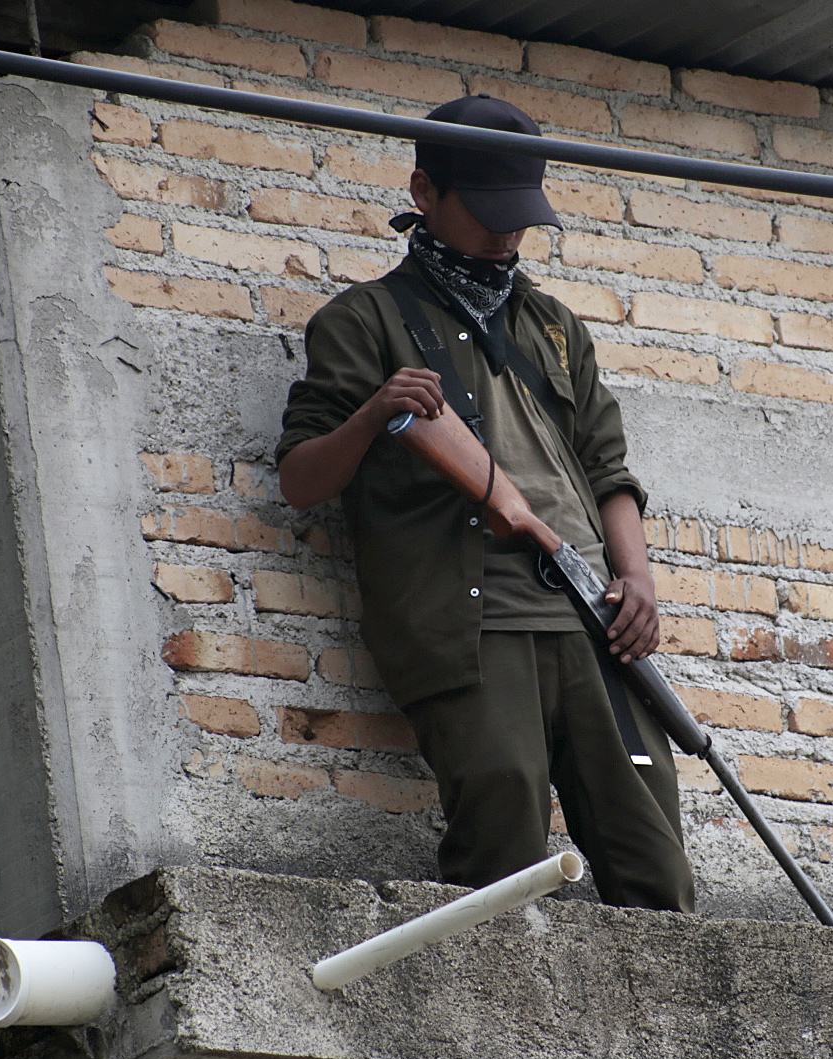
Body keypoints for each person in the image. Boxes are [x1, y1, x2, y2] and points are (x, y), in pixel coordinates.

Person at [275, 95, 694, 912]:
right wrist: (373, 413)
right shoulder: (363, 321)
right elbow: (301, 479)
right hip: (471, 623)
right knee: (499, 846)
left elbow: (607, 470)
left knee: (653, 852)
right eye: (488, 211)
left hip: (589, 610)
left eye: (521, 216)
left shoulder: (556, 326)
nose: (508, 235)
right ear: (424, 193)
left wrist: (635, 579)